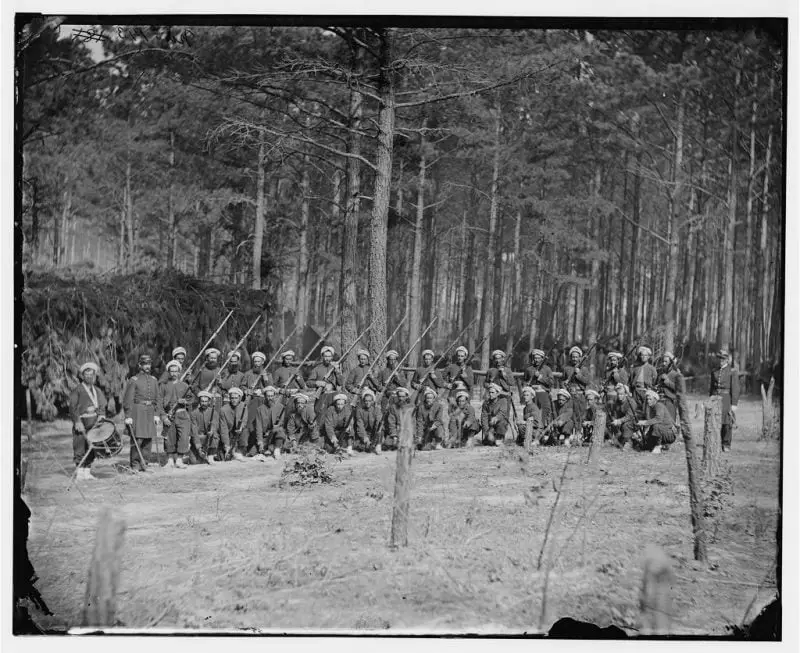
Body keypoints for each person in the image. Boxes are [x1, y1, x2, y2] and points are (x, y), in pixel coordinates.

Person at [69, 361, 110, 480]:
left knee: (91, 447)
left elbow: (102, 404)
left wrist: (101, 415)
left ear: (94, 376)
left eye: (91, 374)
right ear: (82, 375)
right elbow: (72, 407)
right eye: (86, 374)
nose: (89, 376)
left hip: (94, 423)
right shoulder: (78, 390)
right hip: (81, 423)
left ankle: (87, 472)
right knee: (80, 446)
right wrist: (77, 421)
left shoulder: (97, 390)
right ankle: (80, 473)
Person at [123, 354, 160, 472]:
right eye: (145, 364)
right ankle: (134, 465)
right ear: (140, 365)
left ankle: (145, 463)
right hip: (137, 412)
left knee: (148, 440)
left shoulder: (154, 380)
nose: (147, 366)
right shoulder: (134, 380)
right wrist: (128, 415)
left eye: (149, 364)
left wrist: (156, 414)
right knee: (137, 439)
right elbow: (128, 399)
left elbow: (157, 399)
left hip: (149, 412)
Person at [159, 359, 192, 469]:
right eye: (171, 371)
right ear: (168, 372)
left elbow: (192, 399)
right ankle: (169, 460)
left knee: (183, 437)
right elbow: (159, 402)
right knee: (169, 437)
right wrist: (163, 417)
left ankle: (179, 460)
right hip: (169, 415)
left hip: (182, 415)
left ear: (179, 372)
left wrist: (185, 402)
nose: (174, 373)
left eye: (176, 371)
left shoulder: (184, 385)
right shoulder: (163, 386)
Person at [709, 348, 740, 453]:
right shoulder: (714, 371)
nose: (720, 360)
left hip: (726, 399)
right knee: (715, 422)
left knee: (727, 423)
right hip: (715, 399)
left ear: (727, 360)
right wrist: (710, 399)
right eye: (719, 358)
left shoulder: (732, 372)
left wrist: (734, 404)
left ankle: (726, 444)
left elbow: (735, 388)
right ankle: (716, 442)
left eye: (723, 358)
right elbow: (711, 388)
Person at [523, 348, 555, 425]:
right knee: (532, 411)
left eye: (538, 358)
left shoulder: (547, 369)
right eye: (535, 358)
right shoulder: (529, 369)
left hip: (543, 393)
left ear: (542, 358)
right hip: (532, 394)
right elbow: (525, 381)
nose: (536, 360)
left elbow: (551, 382)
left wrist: (540, 378)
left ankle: (543, 429)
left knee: (545, 411)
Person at [310, 346, 343, 418]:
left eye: (329, 356)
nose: (327, 358)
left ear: (332, 357)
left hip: (333, 395)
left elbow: (340, 383)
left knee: (334, 415)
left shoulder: (335, 368)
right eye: (325, 356)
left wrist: (337, 372)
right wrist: (318, 383)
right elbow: (308, 382)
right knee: (319, 414)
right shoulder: (317, 369)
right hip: (322, 395)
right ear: (322, 356)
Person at [254, 386, 285, 460]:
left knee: (280, 431)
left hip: (276, 435)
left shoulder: (280, 407)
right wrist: (260, 441)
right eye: (268, 396)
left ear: (274, 396)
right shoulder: (259, 409)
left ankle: (277, 450)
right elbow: (258, 427)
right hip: (265, 437)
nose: (270, 398)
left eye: (271, 396)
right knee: (253, 452)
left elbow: (281, 422)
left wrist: (276, 427)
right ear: (265, 396)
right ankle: (269, 449)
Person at [273, 349, 306, 420]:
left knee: (293, 413)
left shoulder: (296, 370)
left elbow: (303, 386)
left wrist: (298, 377)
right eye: (286, 359)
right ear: (283, 359)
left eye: (290, 359)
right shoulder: (278, 371)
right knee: (282, 413)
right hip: (283, 395)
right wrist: (280, 390)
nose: (288, 361)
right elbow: (273, 386)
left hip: (293, 395)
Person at [189, 390, 219, 464]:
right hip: (199, 438)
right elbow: (194, 431)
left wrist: (211, 431)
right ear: (199, 401)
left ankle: (211, 455)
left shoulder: (214, 412)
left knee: (215, 435)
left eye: (206, 401)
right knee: (194, 462)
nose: (204, 403)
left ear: (209, 402)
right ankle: (201, 453)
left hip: (209, 438)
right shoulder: (194, 413)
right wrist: (198, 447)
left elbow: (215, 424)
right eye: (202, 401)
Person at [563, 346, 590, 426]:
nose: (574, 359)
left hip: (580, 395)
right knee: (569, 414)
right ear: (570, 357)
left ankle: (578, 433)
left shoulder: (584, 369)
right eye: (573, 357)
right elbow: (562, 380)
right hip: (569, 395)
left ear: (580, 358)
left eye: (576, 357)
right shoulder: (567, 368)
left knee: (579, 415)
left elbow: (587, 381)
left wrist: (579, 374)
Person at [219, 386, 247, 460]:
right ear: (229, 398)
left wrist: (241, 427)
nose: (234, 400)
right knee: (222, 456)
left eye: (236, 398)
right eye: (232, 398)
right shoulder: (223, 409)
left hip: (239, 433)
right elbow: (223, 428)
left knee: (245, 431)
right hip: (229, 434)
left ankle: (239, 451)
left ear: (240, 398)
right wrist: (226, 445)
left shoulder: (244, 406)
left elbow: (244, 420)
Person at [629, 346, 657, 419]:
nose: (643, 357)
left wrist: (650, 389)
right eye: (642, 355)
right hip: (636, 391)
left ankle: (645, 428)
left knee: (646, 411)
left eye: (645, 355)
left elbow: (655, 381)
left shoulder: (652, 369)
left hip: (646, 391)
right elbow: (631, 380)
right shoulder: (635, 368)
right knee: (634, 410)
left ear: (648, 357)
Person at [608, 383, 637, 449]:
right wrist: (614, 420)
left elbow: (629, 416)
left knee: (626, 425)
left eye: (621, 394)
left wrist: (619, 421)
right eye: (618, 394)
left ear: (626, 394)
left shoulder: (631, 402)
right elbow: (615, 413)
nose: (619, 396)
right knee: (612, 423)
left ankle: (629, 442)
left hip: (633, 422)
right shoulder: (617, 402)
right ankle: (617, 438)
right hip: (622, 421)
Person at [355, 387, 383, 453]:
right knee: (360, 447)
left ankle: (378, 445)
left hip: (374, 432)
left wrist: (376, 436)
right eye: (366, 401)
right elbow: (360, 425)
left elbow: (378, 423)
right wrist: (364, 437)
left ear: (372, 401)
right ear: (363, 401)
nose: (367, 403)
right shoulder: (359, 411)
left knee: (381, 429)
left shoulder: (377, 410)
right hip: (365, 432)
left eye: (369, 401)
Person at [384, 386, 411, 450]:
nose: (401, 398)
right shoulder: (393, 407)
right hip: (397, 429)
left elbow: (413, 422)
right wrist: (394, 435)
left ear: (406, 397)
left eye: (403, 397)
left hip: (407, 431)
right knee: (387, 444)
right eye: (399, 396)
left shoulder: (411, 407)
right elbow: (391, 422)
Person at [657, 352, 681, 423]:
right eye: (663, 361)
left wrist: (668, 382)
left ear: (671, 363)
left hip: (670, 401)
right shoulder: (660, 372)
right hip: (660, 401)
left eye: (666, 361)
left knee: (670, 423)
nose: (664, 363)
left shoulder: (676, 374)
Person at [603, 351, 628, 416]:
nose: (612, 362)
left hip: (616, 396)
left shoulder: (621, 371)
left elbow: (623, 383)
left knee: (615, 413)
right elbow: (605, 381)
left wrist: (616, 374)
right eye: (611, 360)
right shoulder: (607, 371)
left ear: (618, 361)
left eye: (614, 360)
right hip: (607, 395)